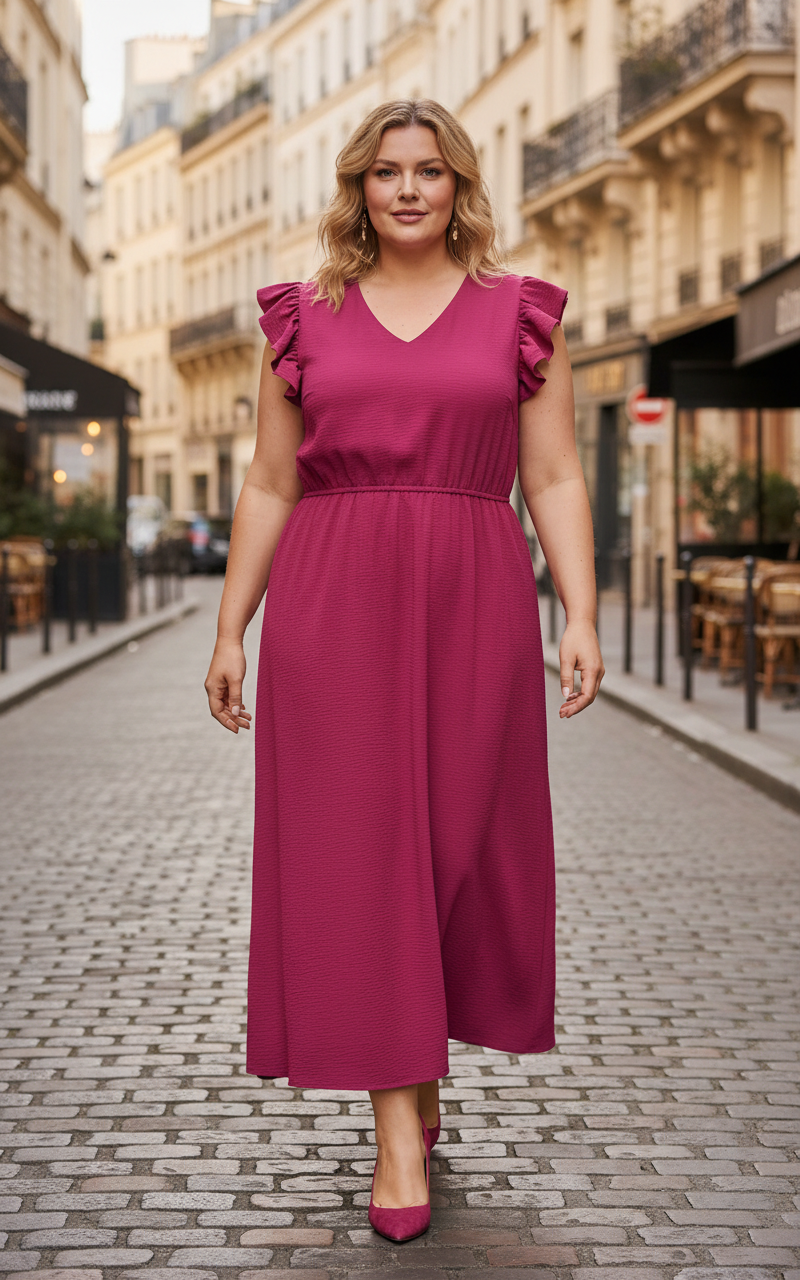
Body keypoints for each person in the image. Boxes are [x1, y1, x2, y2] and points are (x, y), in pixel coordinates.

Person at [204, 98, 604, 1243]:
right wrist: (231, 628)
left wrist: (578, 611)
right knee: (360, 859)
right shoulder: (302, 319)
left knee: (454, 850)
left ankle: (415, 1070)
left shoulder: (519, 315)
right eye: (386, 172)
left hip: (475, 596)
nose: (408, 189)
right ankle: (393, 1136)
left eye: (429, 171)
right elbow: (270, 480)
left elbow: (553, 474)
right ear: (359, 189)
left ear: (458, 185)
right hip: (332, 607)